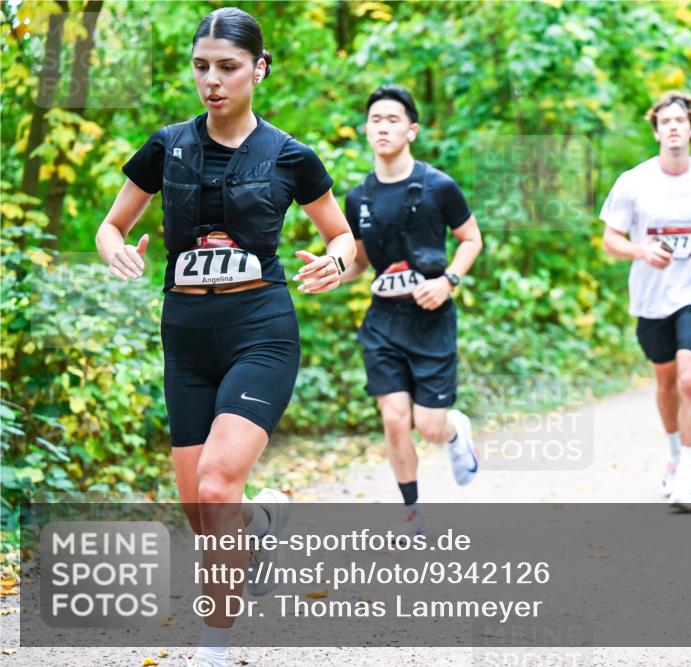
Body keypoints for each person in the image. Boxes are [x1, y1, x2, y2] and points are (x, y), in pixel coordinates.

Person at [94, 8, 355, 667]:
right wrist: (115, 248)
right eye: (201, 66)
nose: (212, 81)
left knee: (215, 486)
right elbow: (111, 225)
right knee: (201, 511)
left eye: (228, 67)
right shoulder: (167, 145)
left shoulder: (291, 156)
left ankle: (214, 645)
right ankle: (261, 527)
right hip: (184, 337)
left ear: (259, 69)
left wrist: (338, 259)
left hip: (259, 329)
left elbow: (343, 235)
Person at [337, 85, 483, 536]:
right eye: (376, 119)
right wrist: (329, 272)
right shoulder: (358, 198)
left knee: (430, 426)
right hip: (383, 322)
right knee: (395, 419)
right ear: (366, 130)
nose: (383, 126)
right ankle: (412, 511)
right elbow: (359, 262)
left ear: (412, 130)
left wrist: (448, 282)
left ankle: (455, 431)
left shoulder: (439, 185)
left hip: (432, 321)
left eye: (393, 119)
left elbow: (471, 240)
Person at [601, 90, 691, 511]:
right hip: (651, 297)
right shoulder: (634, 181)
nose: (674, 127)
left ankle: (687, 476)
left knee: (687, 378)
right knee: (664, 382)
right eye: (666, 121)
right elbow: (611, 239)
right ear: (657, 131)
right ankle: (675, 453)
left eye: (681, 120)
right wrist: (642, 251)